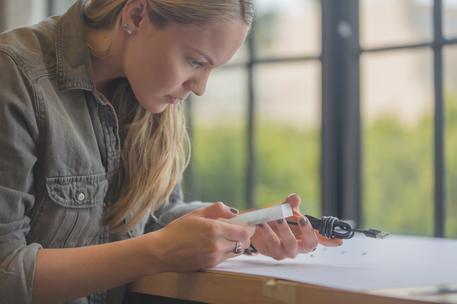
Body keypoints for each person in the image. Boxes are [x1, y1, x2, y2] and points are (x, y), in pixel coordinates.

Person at [0, 0, 342, 303]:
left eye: (211, 69)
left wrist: (243, 229)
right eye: (195, 61)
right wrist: (160, 251)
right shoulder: (13, 76)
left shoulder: (147, 89)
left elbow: (148, 218)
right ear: (136, 15)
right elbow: (5, 272)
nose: (200, 88)